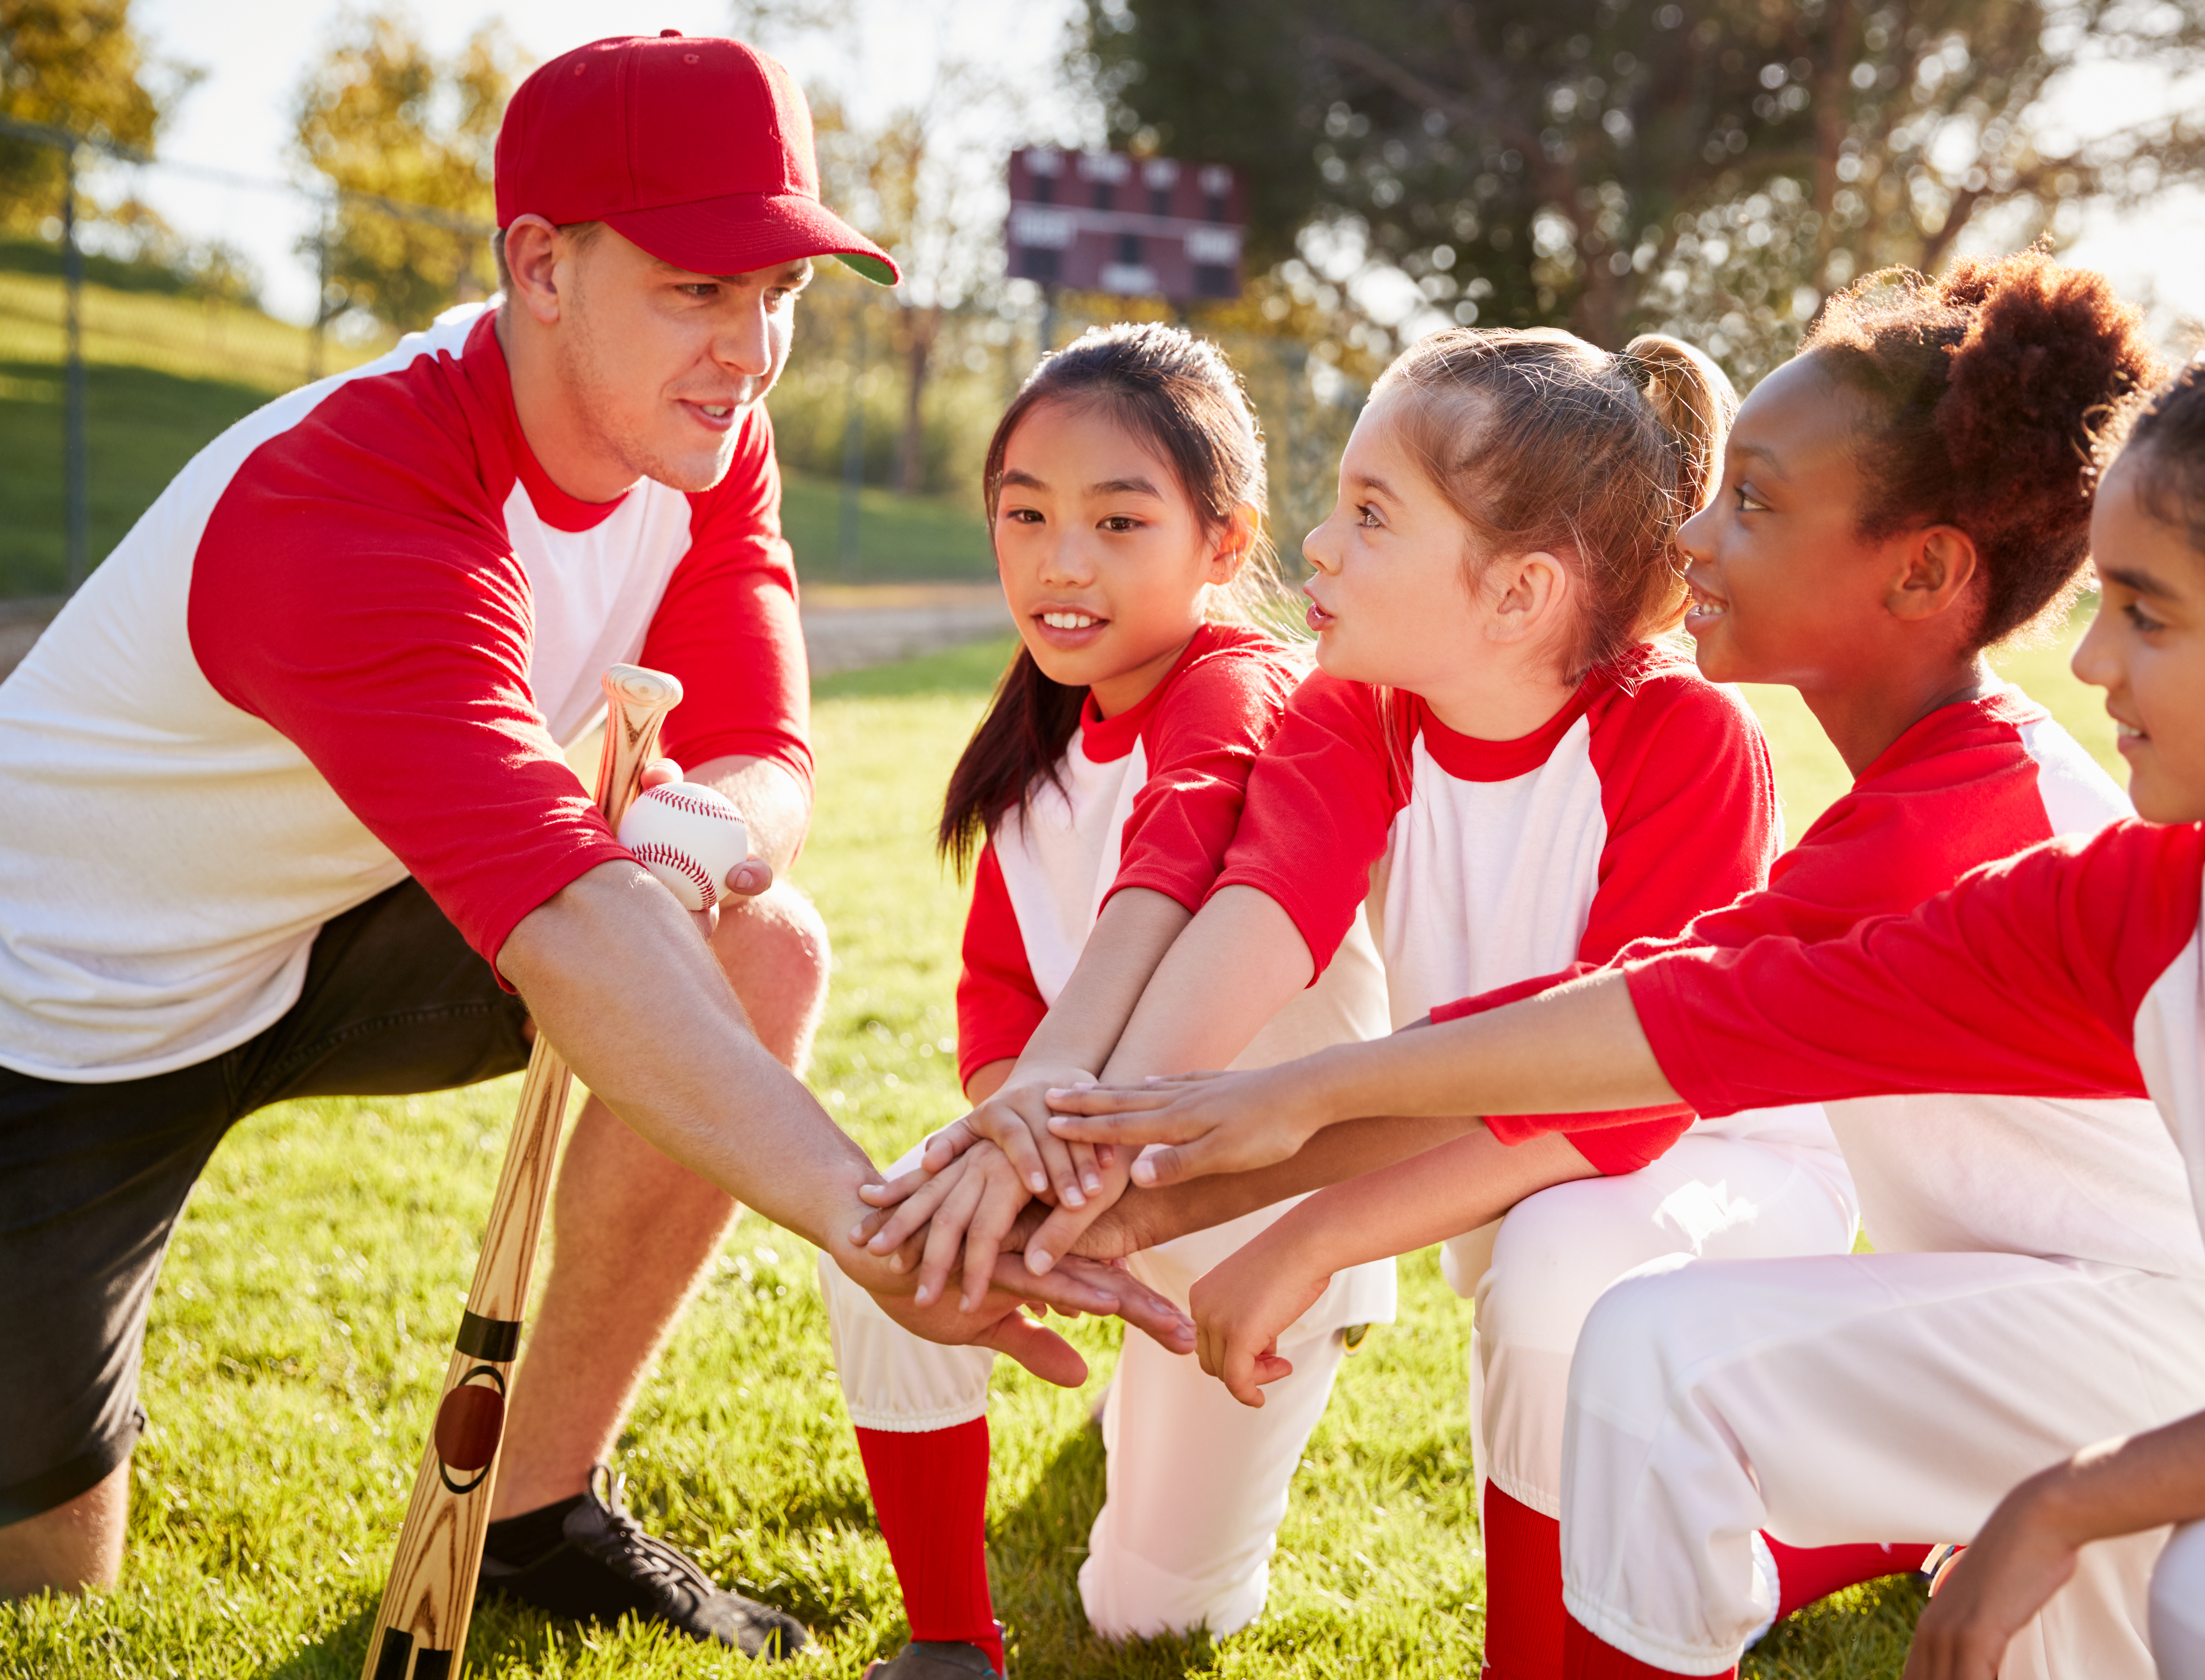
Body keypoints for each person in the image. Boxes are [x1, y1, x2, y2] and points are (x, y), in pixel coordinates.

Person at [1071, 311, 2205, 1679]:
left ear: (1920, 574)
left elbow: (1673, 1033)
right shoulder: (2111, 881)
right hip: (2114, 1332)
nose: (1692, 532)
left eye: (1753, 505)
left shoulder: (1979, 821)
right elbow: (1686, 1007)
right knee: (1674, 1366)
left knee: (1667, 1356)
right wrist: (1240, 1133)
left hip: (2180, 1350)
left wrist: (2075, 1498)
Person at [0, 31, 1185, 1657]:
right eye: (703, 288)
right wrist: (871, 1222)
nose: (752, 349)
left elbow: (765, 755)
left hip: (332, 936)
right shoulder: (349, 503)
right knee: (53, 1570)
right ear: (540, 268)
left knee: (755, 945)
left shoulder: (701, 442)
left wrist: (700, 844)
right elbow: (562, 914)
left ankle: (536, 1512)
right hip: (59, 1016)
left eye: (782, 293)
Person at [865, 324, 1857, 1679]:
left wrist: (1309, 1235)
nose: (1317, 547)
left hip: (1711, 1158)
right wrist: (1085, 1155)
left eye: (1371, 515)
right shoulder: (1356, 708)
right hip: (1483, 1144)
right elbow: (1263, 914)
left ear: (1516, 595)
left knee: (1562, 1278)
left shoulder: (1687, 741)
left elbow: (1622, 1109)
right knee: (1531, 1296)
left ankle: (1700, 1585)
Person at [815, 323, 1396, 1678]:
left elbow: (1178, 862)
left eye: (1118, 521)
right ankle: (948, 1640)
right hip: (1083, 1171)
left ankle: (1173, 1410)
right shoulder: (1033, 746)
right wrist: (1000, 1146)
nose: (1062, 562)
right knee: (887, 1231)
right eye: (1026, 515)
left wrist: (1041, 1121)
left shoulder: (1249, 688)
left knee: (1153, 1615)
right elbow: (996, 1004)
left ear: (1222, 539)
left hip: (1265, 1215)